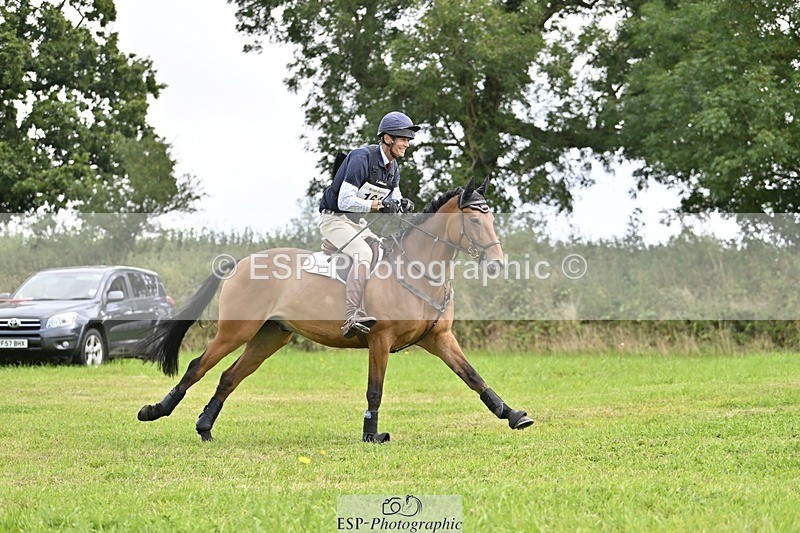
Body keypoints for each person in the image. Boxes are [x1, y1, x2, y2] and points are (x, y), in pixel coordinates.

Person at [319, 111, 419, 337]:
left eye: (408, 140)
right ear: (387, 138)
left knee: (382, 251)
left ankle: (373, 307)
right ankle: (352, 316)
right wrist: (378, 206)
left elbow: (393, 198)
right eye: (403, 139)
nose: (407, 144)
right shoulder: (360, 158)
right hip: (334, 219)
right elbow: (345, 201)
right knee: (363, 253)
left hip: (357, 224)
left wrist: (402, 205)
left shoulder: (393, 168)